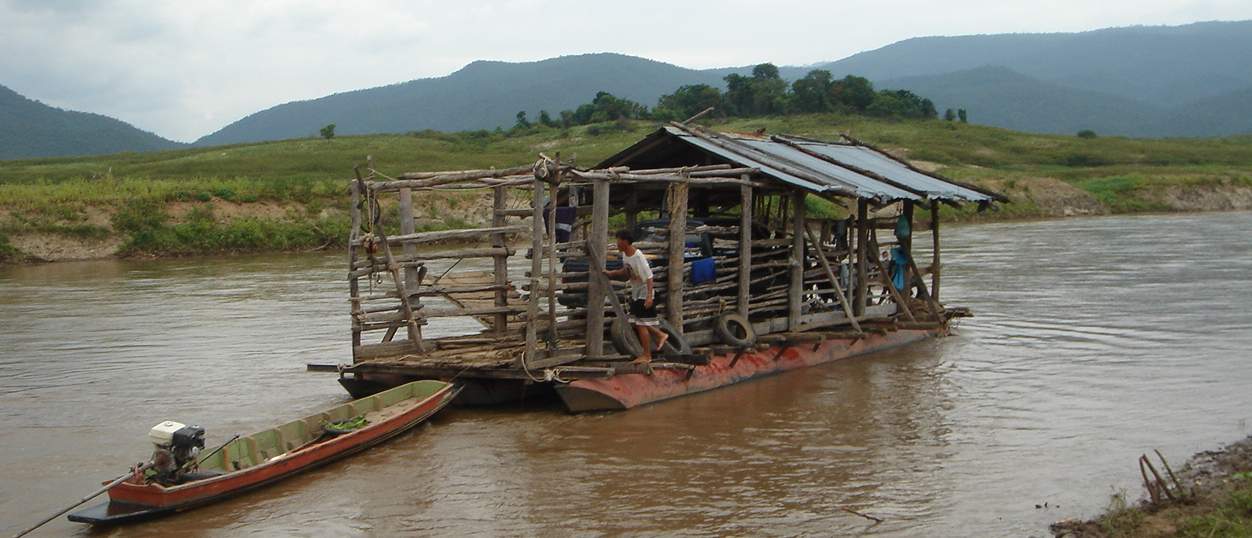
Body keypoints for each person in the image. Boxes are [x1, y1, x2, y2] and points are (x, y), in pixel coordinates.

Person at [603, 229, 668, 363]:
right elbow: (626, 271)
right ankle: (660, 334)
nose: (617, 244)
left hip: (644, 293)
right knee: (636, 321)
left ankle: (647, 355)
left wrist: (649, 297)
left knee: (641, 324)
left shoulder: (638, 256)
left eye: (618, 241)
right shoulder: (625, 255)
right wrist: (611, 273)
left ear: (625, 242)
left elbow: (649, 277)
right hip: (636, 293)